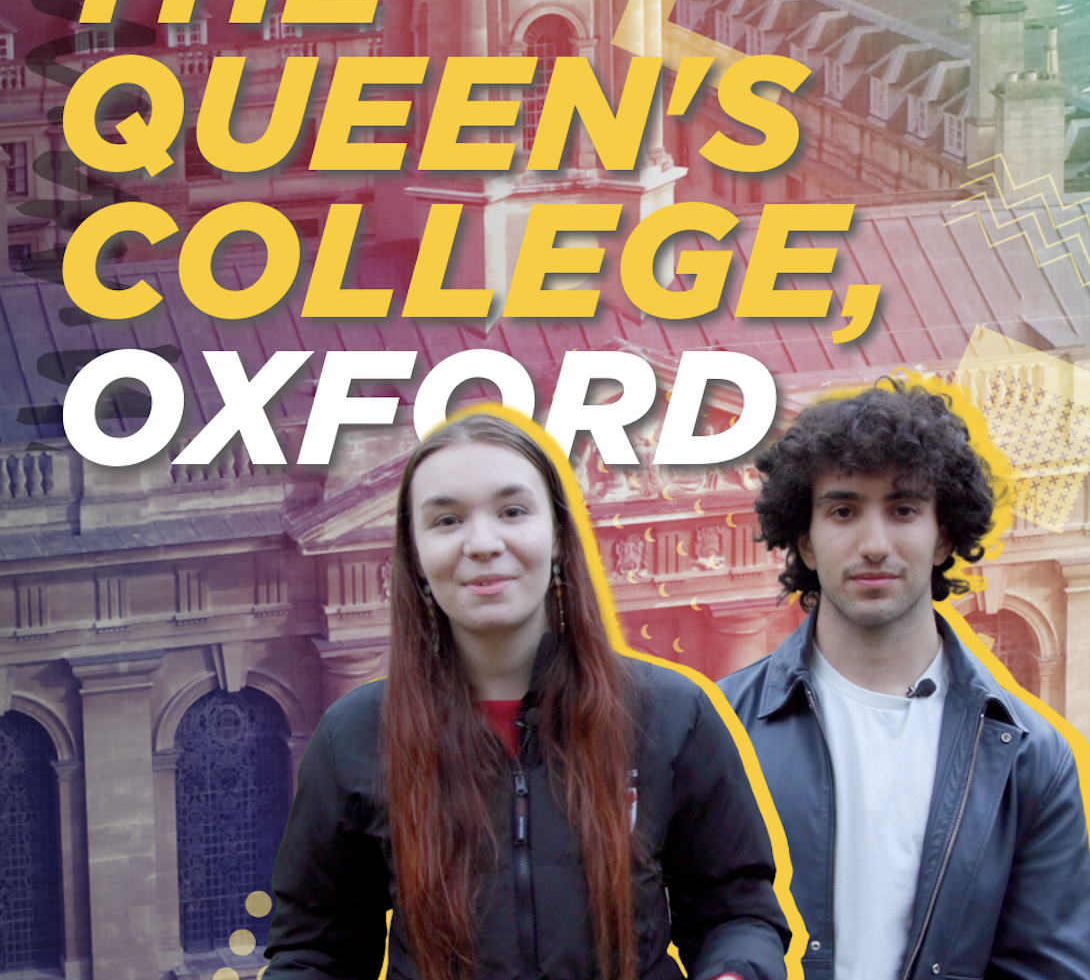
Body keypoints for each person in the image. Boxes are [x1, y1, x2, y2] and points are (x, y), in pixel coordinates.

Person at [265, 411, 792, 980]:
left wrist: (735, 973)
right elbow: (316, 953)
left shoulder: (672, 713)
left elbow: (735, 912)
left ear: (560, 537)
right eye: (446, 520)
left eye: (513, 512)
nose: (484, 543)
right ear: (415, 558)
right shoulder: (356, 734)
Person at [719, 380, 1090, 980]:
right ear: (805, 541)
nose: (873, 544)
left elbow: (1047, 968)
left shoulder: (1030, 756)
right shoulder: (718, 730)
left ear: (943, 535)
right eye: (843, 510)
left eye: (904, 510)